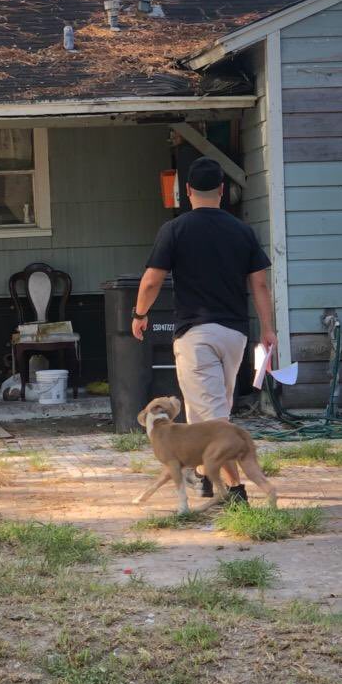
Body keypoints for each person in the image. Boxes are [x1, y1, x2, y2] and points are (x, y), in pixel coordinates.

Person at [131, 156, 276, 501]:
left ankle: (237, 490)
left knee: (210, 414)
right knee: (211, 409)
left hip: (196, 333)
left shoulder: (175, 229)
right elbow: (259, 286)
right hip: (234, 334)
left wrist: (139, 314)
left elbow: (152, 281)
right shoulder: (243, 231)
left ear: (188, 191)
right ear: (223, 191)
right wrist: (267, 329)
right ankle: (207, 479)